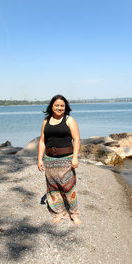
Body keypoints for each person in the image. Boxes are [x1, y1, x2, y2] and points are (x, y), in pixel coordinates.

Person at [38, 95, 81, 226]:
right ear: (52, 106)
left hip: (66, 159)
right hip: (50, 159)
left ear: (65, 107)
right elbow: (42, 141)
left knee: (68, 187)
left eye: (62, 105)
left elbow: (77, 139)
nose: (59, 108)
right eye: (57, 105)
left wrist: (75, 157)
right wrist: (39, 159)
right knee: (53, 188)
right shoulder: (46, 121)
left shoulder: (69, 120)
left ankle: (74, 213)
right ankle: (59, 212)